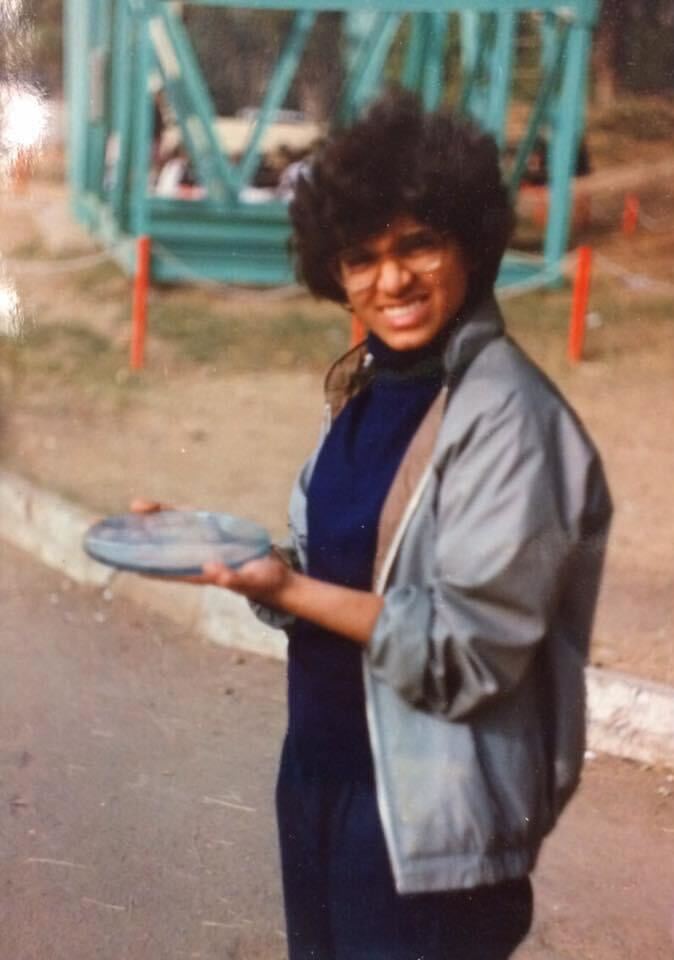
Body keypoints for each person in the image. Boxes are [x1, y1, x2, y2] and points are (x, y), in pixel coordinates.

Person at [143, 91, 612, 959]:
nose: (390, 281)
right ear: (335, 272)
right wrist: (229, 552)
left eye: (417, 246)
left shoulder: (510, 419)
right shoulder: (368, 386)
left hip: (428, 825)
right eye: (362, 257)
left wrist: (290, 586)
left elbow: (469, 654)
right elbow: (338, 574)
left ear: (468, 241)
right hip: (322, 781)